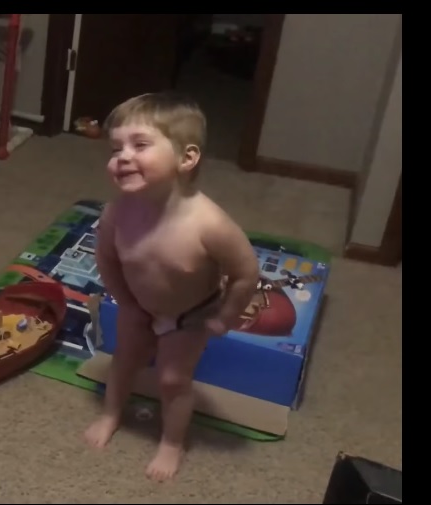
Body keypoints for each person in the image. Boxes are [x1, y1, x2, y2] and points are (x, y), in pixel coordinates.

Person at [83, 92, 260, 482]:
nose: (122, 157)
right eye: (115, 149)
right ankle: (112, 413)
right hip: (138, 305)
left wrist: (225, 317)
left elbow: (247, 273)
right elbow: (107, 260)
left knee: (172, 379)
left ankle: (172, 442)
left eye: (140, 145)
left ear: (187, 158)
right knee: (124, 359)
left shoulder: (210, 224)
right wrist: (126, 302)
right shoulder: (117, 211)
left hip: (189, 315)